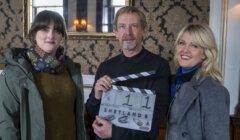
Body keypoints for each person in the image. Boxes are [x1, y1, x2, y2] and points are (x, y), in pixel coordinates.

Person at [0, 10, 88, 140]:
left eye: (57, 30)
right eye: (44, 29)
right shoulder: (15, 73)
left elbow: (77, 117)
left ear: (62, 36)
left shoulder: (71, 69)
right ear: (34, 33)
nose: (51, 35)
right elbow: (7, 125)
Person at [86, 6, 170, 140]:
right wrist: (97, 96)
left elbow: (157, 115)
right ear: (116, 32)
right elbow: (92, 111)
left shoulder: (159, 66)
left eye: (134, 26)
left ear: (144, 30)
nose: (128, 32)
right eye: (122, 26)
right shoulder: (106, 67)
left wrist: (115, 132)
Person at [165, 23, 230, 140]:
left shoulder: (214, 91)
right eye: (181, 43)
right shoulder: (173, 82)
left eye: (194, 46)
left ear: (205, 54)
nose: (185, 50)